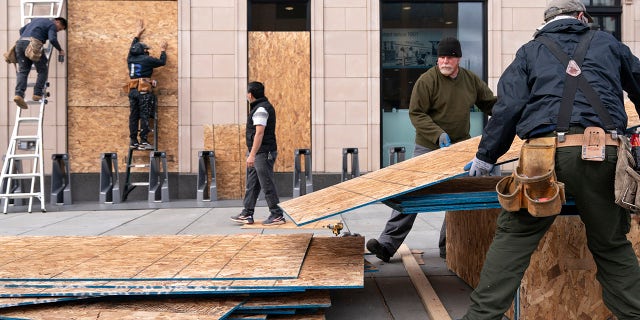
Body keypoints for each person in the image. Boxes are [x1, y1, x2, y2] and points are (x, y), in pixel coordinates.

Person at [462, 1, 640, 319]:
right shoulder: (609, 44)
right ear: (582, 18)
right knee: (611, 245)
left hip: (541, 159)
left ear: (546, 22)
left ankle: (479, 317)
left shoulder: (531, 50)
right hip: (603, 154)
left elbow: (509, 108)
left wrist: (486, 156)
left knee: (514, 237)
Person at [367, 37, 496, 262]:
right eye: (441, 57)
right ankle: (387, 245)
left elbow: (489, 103)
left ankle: (449, 245)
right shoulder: (427, 80)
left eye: (449, 57)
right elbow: (416, 113)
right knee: (411, 193)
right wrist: (438, 134)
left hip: (459, 147)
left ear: (458, 59)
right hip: (428, 147)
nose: (444, 61)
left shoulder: (470, 80)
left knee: (459, 197)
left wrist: (512, 113)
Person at [230, 81, 286, 226]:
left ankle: (277, 214)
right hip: (260, 152)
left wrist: (252, 154)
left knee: (266, 184)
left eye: (246, 93)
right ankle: (247, 213)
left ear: (250, 94)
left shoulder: (261, 109)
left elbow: (259, 133)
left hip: (263, 152)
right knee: (252, 183)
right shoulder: (259, 107)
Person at [126, 19, 167, 150]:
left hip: (132, 90)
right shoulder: (147, 59)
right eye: (146, 49)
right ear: (143, 51)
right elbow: (162, 62)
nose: (147, 51)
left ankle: (133, 141)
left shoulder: (130, 57)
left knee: (134, 115)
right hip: (143, 90)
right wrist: (163, 50)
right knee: (144, 114)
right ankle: (143, 141)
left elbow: (133, 45)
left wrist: (138, 33)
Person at [13, 17, 67, 109]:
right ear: (57, 21)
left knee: (23, 71)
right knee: (43, 70)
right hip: (33, 45)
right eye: (60, 28)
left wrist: (27, 39)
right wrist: (60, 50)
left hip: (19, 44)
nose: (58, 30)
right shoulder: (52, 25)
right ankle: (37, 93)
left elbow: (21, 30)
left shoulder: (36, 20)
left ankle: (18, 95)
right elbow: (52, 39)